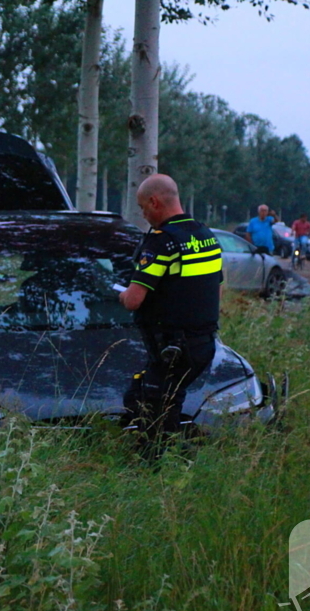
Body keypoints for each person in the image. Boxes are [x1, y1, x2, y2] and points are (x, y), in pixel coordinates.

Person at [118, 174, 223, 455]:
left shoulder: (162, 242)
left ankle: (164, 463)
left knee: (155, 412)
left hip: (173, 345)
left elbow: (133, 300)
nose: (143, 214)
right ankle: (171, 457)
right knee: (149, 399)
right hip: (202, 344)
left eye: (143, 207)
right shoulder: (206, 236)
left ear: (154, 202)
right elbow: (215, 289)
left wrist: (121, 294)